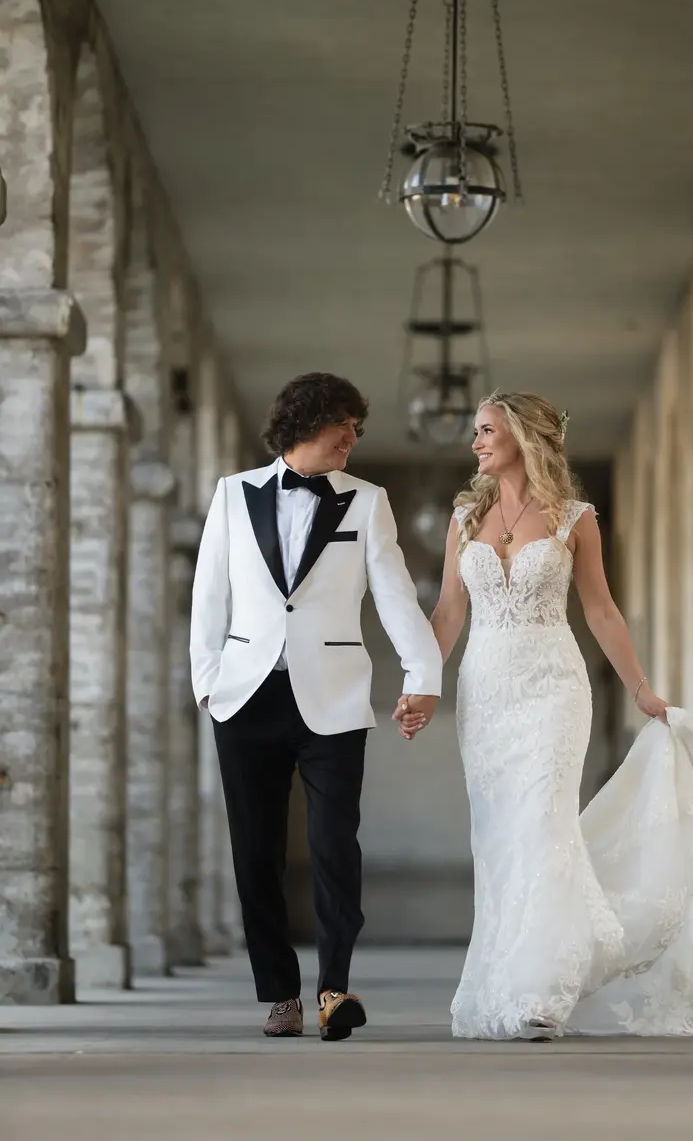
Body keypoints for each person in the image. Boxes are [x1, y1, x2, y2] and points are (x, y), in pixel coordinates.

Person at [395, 391, 693, 1040]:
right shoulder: (466, 515)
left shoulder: (574, 517)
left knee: (544, 823)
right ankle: (515, 973)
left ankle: (543, 993)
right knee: (500, 837)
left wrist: (641, 689)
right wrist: (421, 685)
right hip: (488, 693)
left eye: (487, 430)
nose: (475, 442)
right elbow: (448, 612)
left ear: (524, 436)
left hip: (554, 688)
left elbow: (602, 610)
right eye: (475, 431)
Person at [190, 372, 442, 1041]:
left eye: (358, 428)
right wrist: (207, 685)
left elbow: (393, 594)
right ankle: (279, 993)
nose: (354, 438)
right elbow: (208, 597)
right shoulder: (232, 495)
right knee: (256, 853)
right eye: (345, 426)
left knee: (335, 846)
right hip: (245, 696)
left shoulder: (368, 503)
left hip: (332, 696)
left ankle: (334, 989)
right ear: (306, 423)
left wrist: (423, 673)